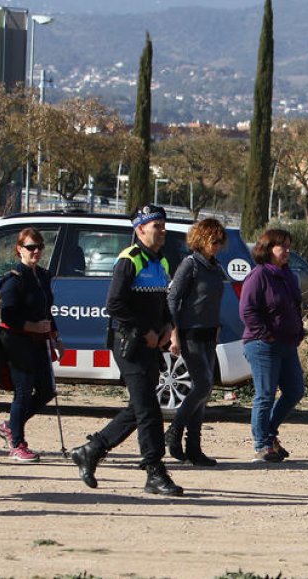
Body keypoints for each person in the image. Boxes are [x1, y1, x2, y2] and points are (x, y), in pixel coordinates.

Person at [71, 205, 183, 496]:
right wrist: (143, 330)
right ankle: (154, 470)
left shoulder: (163, 262)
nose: (162, 230)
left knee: (140, 407)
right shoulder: (129, 259)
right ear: (140, 229)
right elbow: (115, 305)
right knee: (148, 410)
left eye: (163, 224)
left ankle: (91, 449)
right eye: (156, 225)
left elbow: (163, 302)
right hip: (129, 344)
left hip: (151, 345)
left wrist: (167, 326)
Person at [238, 228, 306, 463]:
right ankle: (262, 445)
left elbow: (294, 306)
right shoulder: (258, 276)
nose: (287, 250)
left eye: (289, 245)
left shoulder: (288, 275)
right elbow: (247, 310)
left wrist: (299, 329)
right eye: (282, 246)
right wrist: (265, 335)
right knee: (265, 395)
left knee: (295, 390)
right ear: (268, 249)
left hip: (287, 344)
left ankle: (269, 432)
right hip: (262, 345)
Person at [165, 218, 228, 467]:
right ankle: (174, 430)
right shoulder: (189, 265)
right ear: (201, 240)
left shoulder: (215, 267)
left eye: (220, 242)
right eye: (214, 241)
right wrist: (173, 334)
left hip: (209, 334)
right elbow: (173, 299)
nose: (217, 246)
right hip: (189, 333)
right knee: (202, 385)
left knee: (204, 392)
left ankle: (194, 448)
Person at [0, 228, 58, 463]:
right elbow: (8, 316)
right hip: (16, 341)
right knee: (23, 390)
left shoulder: (43, 275)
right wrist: (32, 327)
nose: (36, 251)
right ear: (19, 249)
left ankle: (10, 425)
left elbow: (46, 308)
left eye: (40, 246)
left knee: (47, 390)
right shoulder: (14, 279)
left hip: (39, 341)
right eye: (31, 247)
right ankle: (17, 444)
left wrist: (54, 333)